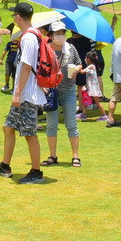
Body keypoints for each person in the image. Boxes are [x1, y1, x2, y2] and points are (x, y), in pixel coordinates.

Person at [0, 1, 48, 184]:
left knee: (30, 134)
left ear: (18, 17)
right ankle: (5, 166)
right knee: (8, 127)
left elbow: (26, 67)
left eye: (15, 15)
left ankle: (36, 172)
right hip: (25, 93)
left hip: (27, 95)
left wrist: (17, 93)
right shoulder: (32, 34)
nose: (13, 17)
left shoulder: (29, 37)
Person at [43, 21, 82, 168]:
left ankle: (75, 156)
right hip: (51, 92)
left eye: (63, 33)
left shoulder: (70, 48)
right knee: (51, 125)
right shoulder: (46, 50)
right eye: (57, 33)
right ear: (51, 35)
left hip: (69, 90)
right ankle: (52, 155)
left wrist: (76, 70)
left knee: (71, 124)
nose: (61, 36)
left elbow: (79, 63)